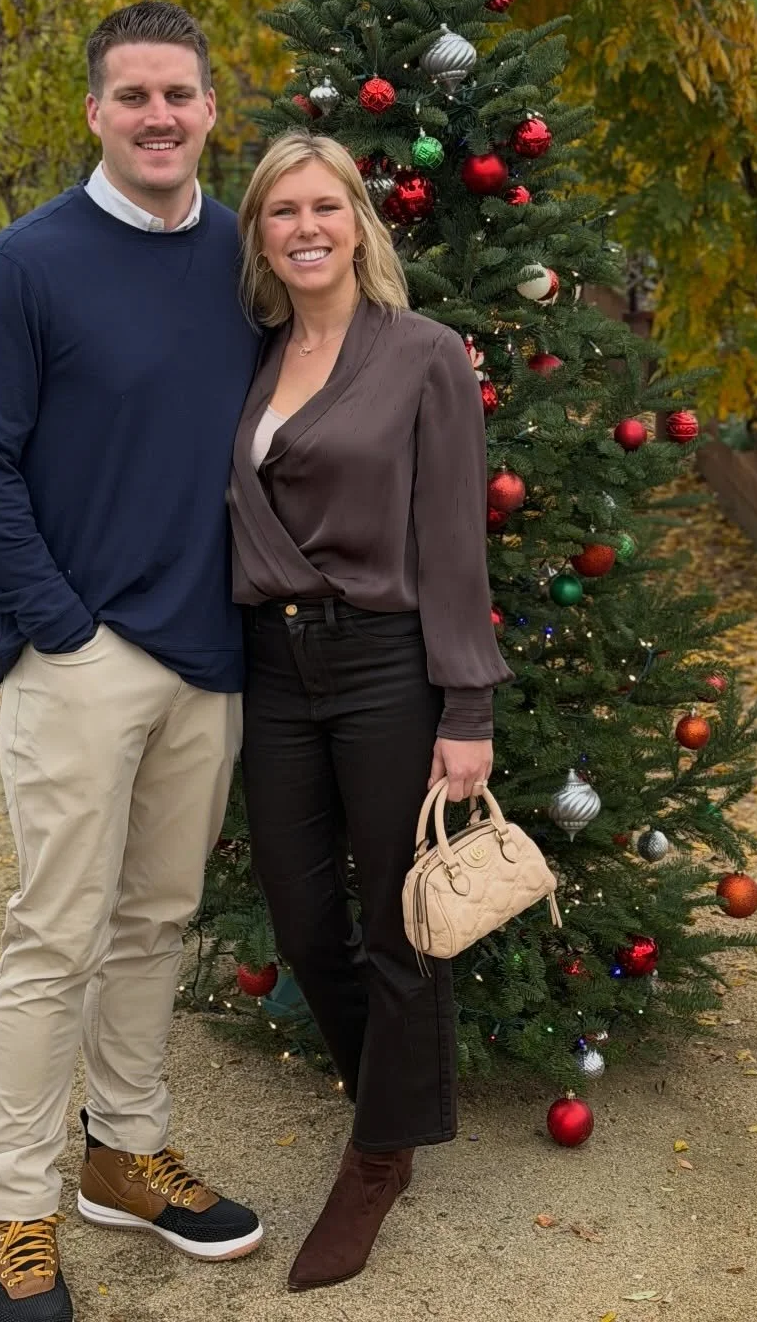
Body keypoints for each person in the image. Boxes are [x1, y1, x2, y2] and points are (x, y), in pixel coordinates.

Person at [0, 2, 264, 1322]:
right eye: (134, 96)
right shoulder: (24, 270)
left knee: (155, 922)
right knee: (53, 937)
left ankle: (125, 1154)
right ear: (96, 113)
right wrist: (60, 628)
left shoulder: (241, 254)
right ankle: (12, 1209)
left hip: (208, 653)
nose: (159, 117)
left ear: (211, 109)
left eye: (179, 94)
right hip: (81, 657)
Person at [228, 129, 510, 1294]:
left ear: (358, 221)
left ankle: (379, 1157)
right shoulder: (252, 355)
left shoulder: (423, 354)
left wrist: (467, 705)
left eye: (324, 207)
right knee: (305, 923)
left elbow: (452, 541)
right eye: (281, 211)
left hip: (386, 665)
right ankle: (388, 1102)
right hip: (273, 668)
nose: (305, 228)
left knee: (403, 925)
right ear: (261, 236)